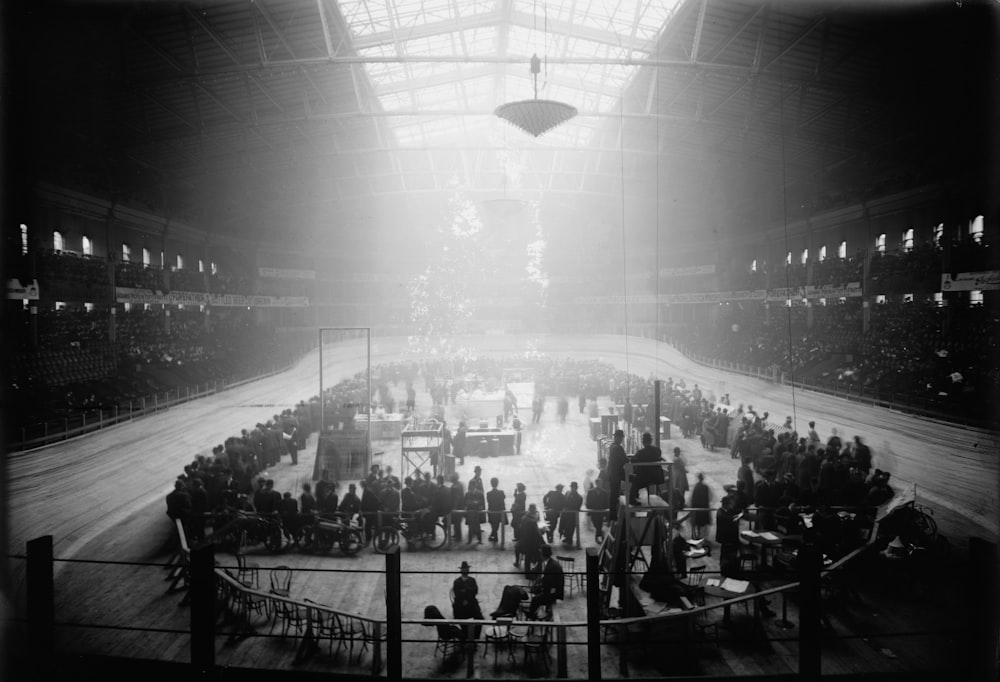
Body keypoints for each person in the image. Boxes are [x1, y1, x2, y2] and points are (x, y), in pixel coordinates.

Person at [528, 544, 564, 619]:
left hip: (553, 593)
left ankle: (531, 615)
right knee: (535, 592)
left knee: (535, 599)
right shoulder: (547, 562)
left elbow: (549, 585)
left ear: (543, 554)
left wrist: (540, 590)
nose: (539, 554)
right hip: (550, 589)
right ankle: (534, 612)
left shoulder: (551, 567)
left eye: (540, 553)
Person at [628, 432, 664, 504]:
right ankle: (635, 494)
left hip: (646, 477)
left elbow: (633, 460)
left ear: (643, 442)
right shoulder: (657, 450)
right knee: (637, 475)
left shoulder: (641, 452)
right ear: (650, 441)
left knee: (635, 478)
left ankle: (632, 498)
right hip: (657, 476)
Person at [452, 561, 484, 638]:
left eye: (467, 569)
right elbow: (457, 594)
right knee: (462, 620)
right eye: (464, 570)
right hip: (461, 605)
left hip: (471, 603)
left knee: (480, 619)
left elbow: (475, 591)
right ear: (461, 571)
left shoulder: (472, 580)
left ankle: (475, 637)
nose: (466, 571)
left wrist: (466, 593)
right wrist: (467, 593)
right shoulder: (457, 582)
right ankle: (466, 636)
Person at [515, 503, 544, 573]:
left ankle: (527, 570)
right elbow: (537, 534)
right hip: (531, 542)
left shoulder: (524, 518)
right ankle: (534, 570)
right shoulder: (532, 521)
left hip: (524, 540)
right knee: (538, 556)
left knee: (528, 557)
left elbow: (519, 529)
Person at [606, 430, 627, 522]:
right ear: (618, 438)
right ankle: (613, 516)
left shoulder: (613, 446)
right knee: (614, 495)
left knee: (613, 495)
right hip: (616, 475)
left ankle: (612, 515)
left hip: (613, 474)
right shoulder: (617, 448)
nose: (621, 439)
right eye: (621, 437)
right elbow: (623, 460)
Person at [559, 481, 583, 545]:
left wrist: (568, 508)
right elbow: (563, 501)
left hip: (572, 515)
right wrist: (563, 507)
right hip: (565, 514)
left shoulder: (579, 497)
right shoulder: (567, 493)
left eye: (574, 487)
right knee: (565, 526)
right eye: (572, 487)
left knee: (571, 527)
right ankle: (566, 537)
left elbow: (577, 507)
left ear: (576, 488)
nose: (572, 488)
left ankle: (570, 539)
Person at [690, 473, 712, 540]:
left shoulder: (696, 487)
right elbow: (707, 498)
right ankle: (703, 536)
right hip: (704, 507)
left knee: (698, 523)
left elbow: (693, 498)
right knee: (703, 523)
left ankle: (698, 535)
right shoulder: (705, 487)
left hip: (697, 507)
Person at [486, 477, 506, 542]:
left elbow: (488, 502)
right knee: (496, 524)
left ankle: (494, 536)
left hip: (491, 511)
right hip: (499, 511)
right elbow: (503, 500)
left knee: (493, 524)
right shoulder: (501, 493)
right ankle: (494, 536)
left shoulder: (488, 494)